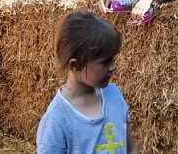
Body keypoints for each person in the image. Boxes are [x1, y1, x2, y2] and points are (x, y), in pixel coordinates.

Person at [36, 10, 137, 154]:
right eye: (105, 62)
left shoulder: (114, 95)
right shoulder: (57, 119)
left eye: (113, 59)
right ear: (75, 65)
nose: (114, 67)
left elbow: (130, 148)